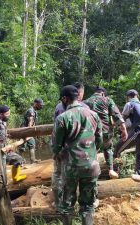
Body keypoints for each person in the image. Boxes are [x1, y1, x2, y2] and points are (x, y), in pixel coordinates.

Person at [52, 85, 103, 225]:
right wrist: (91, 154)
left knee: (67, 204)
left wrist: (61, 154)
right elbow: (99, 141)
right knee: (87, 205)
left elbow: (56, 146)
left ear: (64, 98)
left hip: (71, 168)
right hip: (91, 166)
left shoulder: (62, 118)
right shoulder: (94, 115)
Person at [52, 82, 88, 209]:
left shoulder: (60, 109)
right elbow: (96, 136)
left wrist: (56, 152)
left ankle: (58, 203)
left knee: (58, 175)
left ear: (64, 98)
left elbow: (56, 135)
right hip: (84, 153)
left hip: (65, 151)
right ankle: (80, 202)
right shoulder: (87, 109)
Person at [84, 86, 128, 179]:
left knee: (92, 152)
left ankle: (93, 174)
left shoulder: (85, 102)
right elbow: (117, 116)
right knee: (108, 148)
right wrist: (124, 130)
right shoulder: (107, 100)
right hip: (105, 132)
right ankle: (111, 170)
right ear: (103, 93)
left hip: (90, 133)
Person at [114, 90, 140, 175]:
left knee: (117, 149)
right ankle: (139, 175)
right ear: (137, 96)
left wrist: (114, 126)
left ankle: (115, 172)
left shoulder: (129, 104)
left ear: (128, 97)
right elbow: (130, 122)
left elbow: (122, 120)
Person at [0, 105, 26, 183]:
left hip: (5, 149)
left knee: (18, 159)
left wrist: (7, 140)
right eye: (7, 114)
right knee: (2, 173)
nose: (9, 115)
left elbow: (1, 135)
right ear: (1, 114)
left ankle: (16, 178)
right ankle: (2, 188)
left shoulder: (3, 122)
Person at [19, 98, 44, 163]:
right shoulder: (31, 111)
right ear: (36, 104)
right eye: (40, 105)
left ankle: (33, 160)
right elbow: (30, 121)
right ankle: (20, 161)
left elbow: (33, 122)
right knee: (22, 145)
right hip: (24, 130)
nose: (41, 106)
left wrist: (34, 132)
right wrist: (29, 132)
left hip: (28, 130)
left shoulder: (34, 111)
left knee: (32, 143)